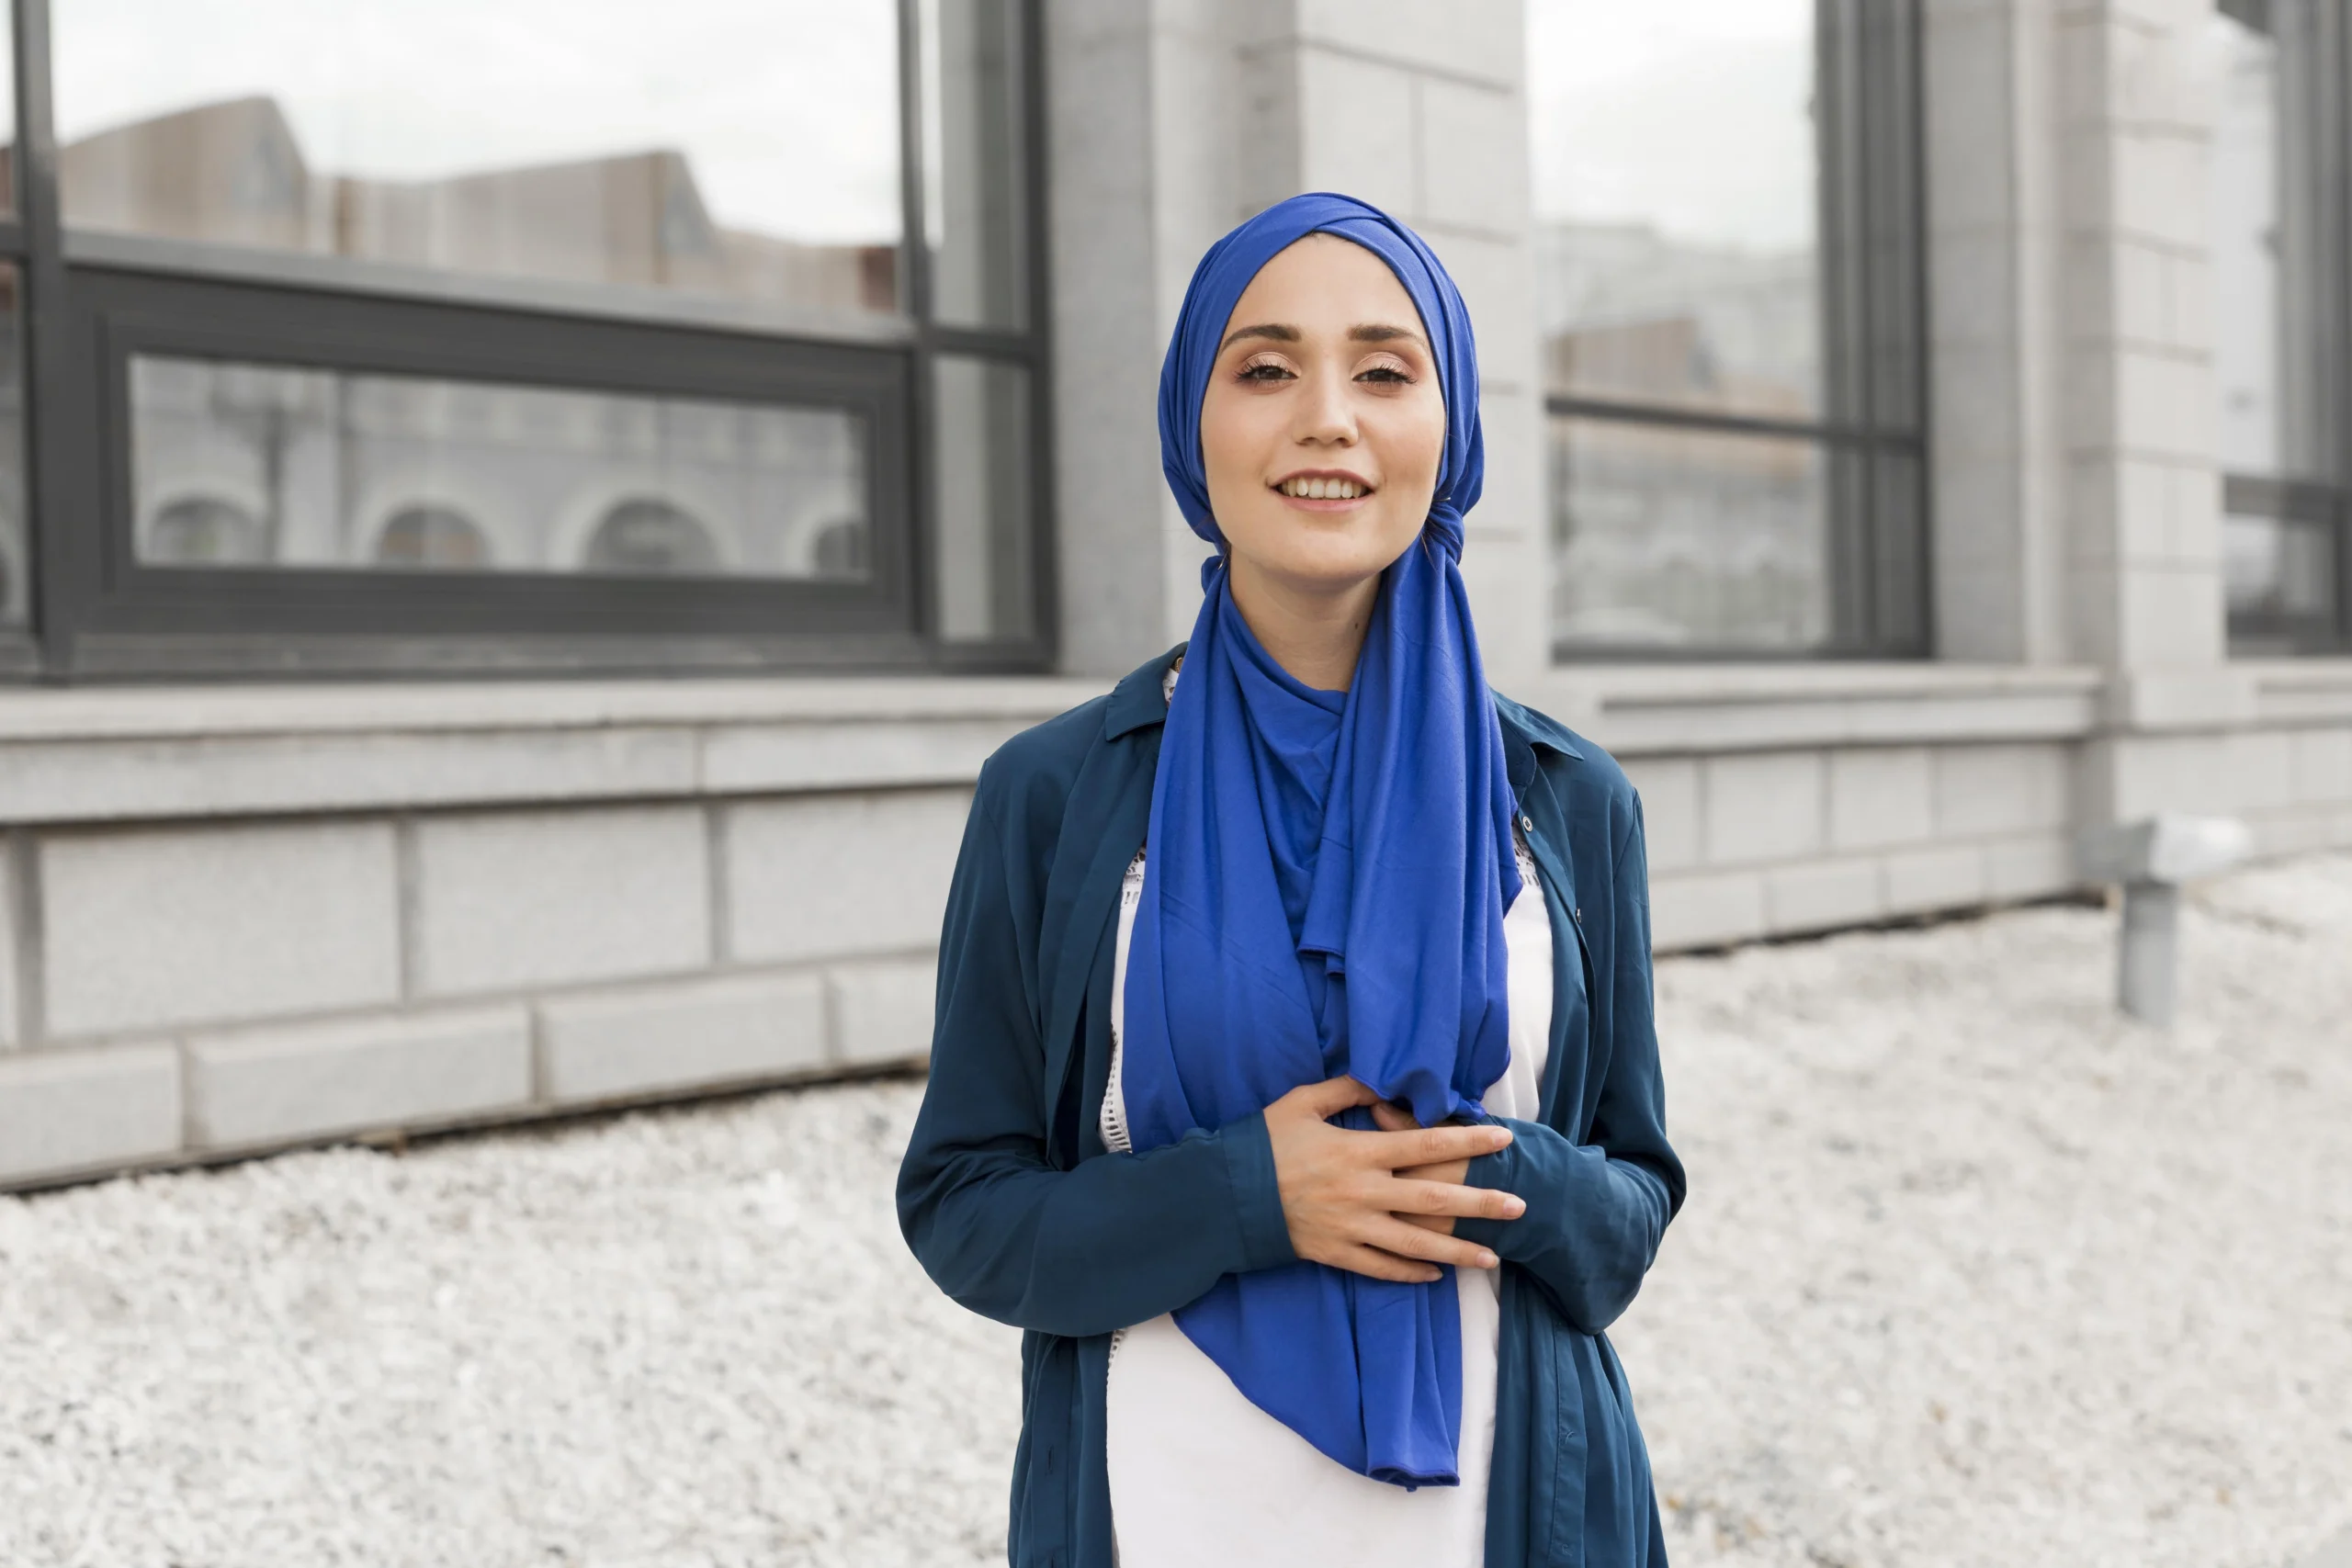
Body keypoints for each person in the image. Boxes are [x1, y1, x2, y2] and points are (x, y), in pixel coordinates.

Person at [898, 192, 1685, 1568]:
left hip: (1505, 1515)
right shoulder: (1061, 791)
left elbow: (1632, 1211)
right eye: (1265, 368)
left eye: (1385, 370)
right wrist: (1247, 1196)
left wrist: (1491, 1179)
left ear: (1452, 432)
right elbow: (965, 1206)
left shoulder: (1566, 798)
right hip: (1167, 1506)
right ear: (1191, 429)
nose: (1330, 416)